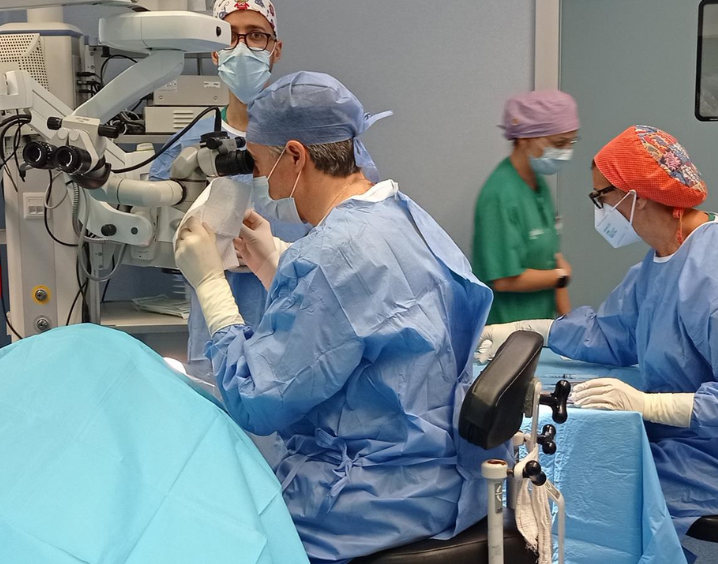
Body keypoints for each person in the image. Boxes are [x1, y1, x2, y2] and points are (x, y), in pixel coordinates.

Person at [175, 71, 505, 562]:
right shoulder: (403, 214)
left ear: (295, 155)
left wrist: (210, 285)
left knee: (208, 530)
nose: (261, 180)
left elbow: (255, 401)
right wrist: (270, 262)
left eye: (259, 164)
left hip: (372, 497)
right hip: (444, 474)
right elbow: (363, 315)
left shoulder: (332, 256)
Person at [477, 125, 718, 536]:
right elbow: (612, 334)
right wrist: (528, 331)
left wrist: (650, 406)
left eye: (601, 195)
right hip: (686, 439)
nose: (601, 208)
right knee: (570, 468)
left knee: (587, 491)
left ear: (638, 194)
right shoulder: (661, 261)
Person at [149, 0, 307, 382]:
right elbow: (158, 230)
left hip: (299, 318)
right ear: (215, 52)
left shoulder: (307, 140)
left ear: (275, 49)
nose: (242, 47)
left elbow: (345, 221)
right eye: (229, 36)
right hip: (215, 328)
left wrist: (277, 251)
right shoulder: (191, 145)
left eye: (256, 35)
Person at [472, 90, 580, 324]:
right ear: (524, 138)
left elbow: (553, 261)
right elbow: (504, 279)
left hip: (541, 327)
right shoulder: (499, 195)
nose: (566, 151)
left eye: (571, 142)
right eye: (559, 143)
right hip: (507, 332)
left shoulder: (537, 184)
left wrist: (570, 324)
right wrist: (560, 276)